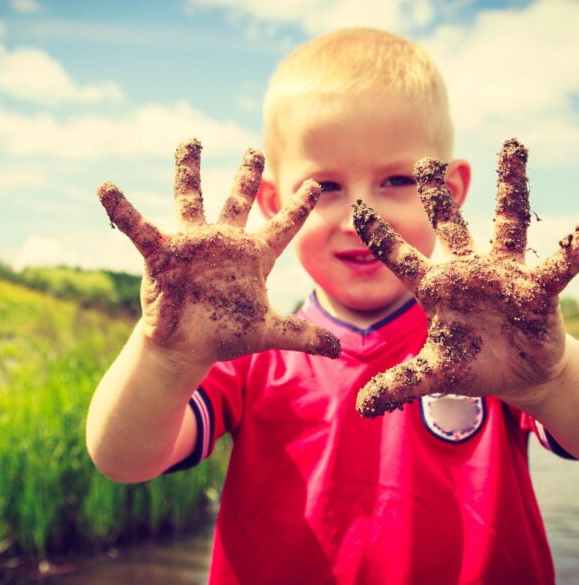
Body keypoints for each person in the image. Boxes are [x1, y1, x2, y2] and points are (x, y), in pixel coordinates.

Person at [86, 28, 579, 585]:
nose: (359, 218)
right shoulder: (242, 348)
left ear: (450, 190)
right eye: (325, 186)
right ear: (274, 203)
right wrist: (166, 354)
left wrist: (551, 378)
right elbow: (123, 460)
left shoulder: (494, 344)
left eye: (396, 179)